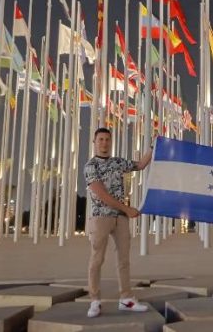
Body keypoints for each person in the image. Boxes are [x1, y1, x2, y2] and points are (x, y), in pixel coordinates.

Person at [85, 127, 153, 318]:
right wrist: (127, 209)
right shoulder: (91, 166)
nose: (104, 143)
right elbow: (102, 195)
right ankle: (95, 300)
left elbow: (140, 165)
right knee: (97, 259)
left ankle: (126, 298)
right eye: (101, 139)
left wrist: (153, 148)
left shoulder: (117, 162)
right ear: (95, 142)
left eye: (107, 139)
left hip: (120, 219)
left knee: (123, 260)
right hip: (101, 217)